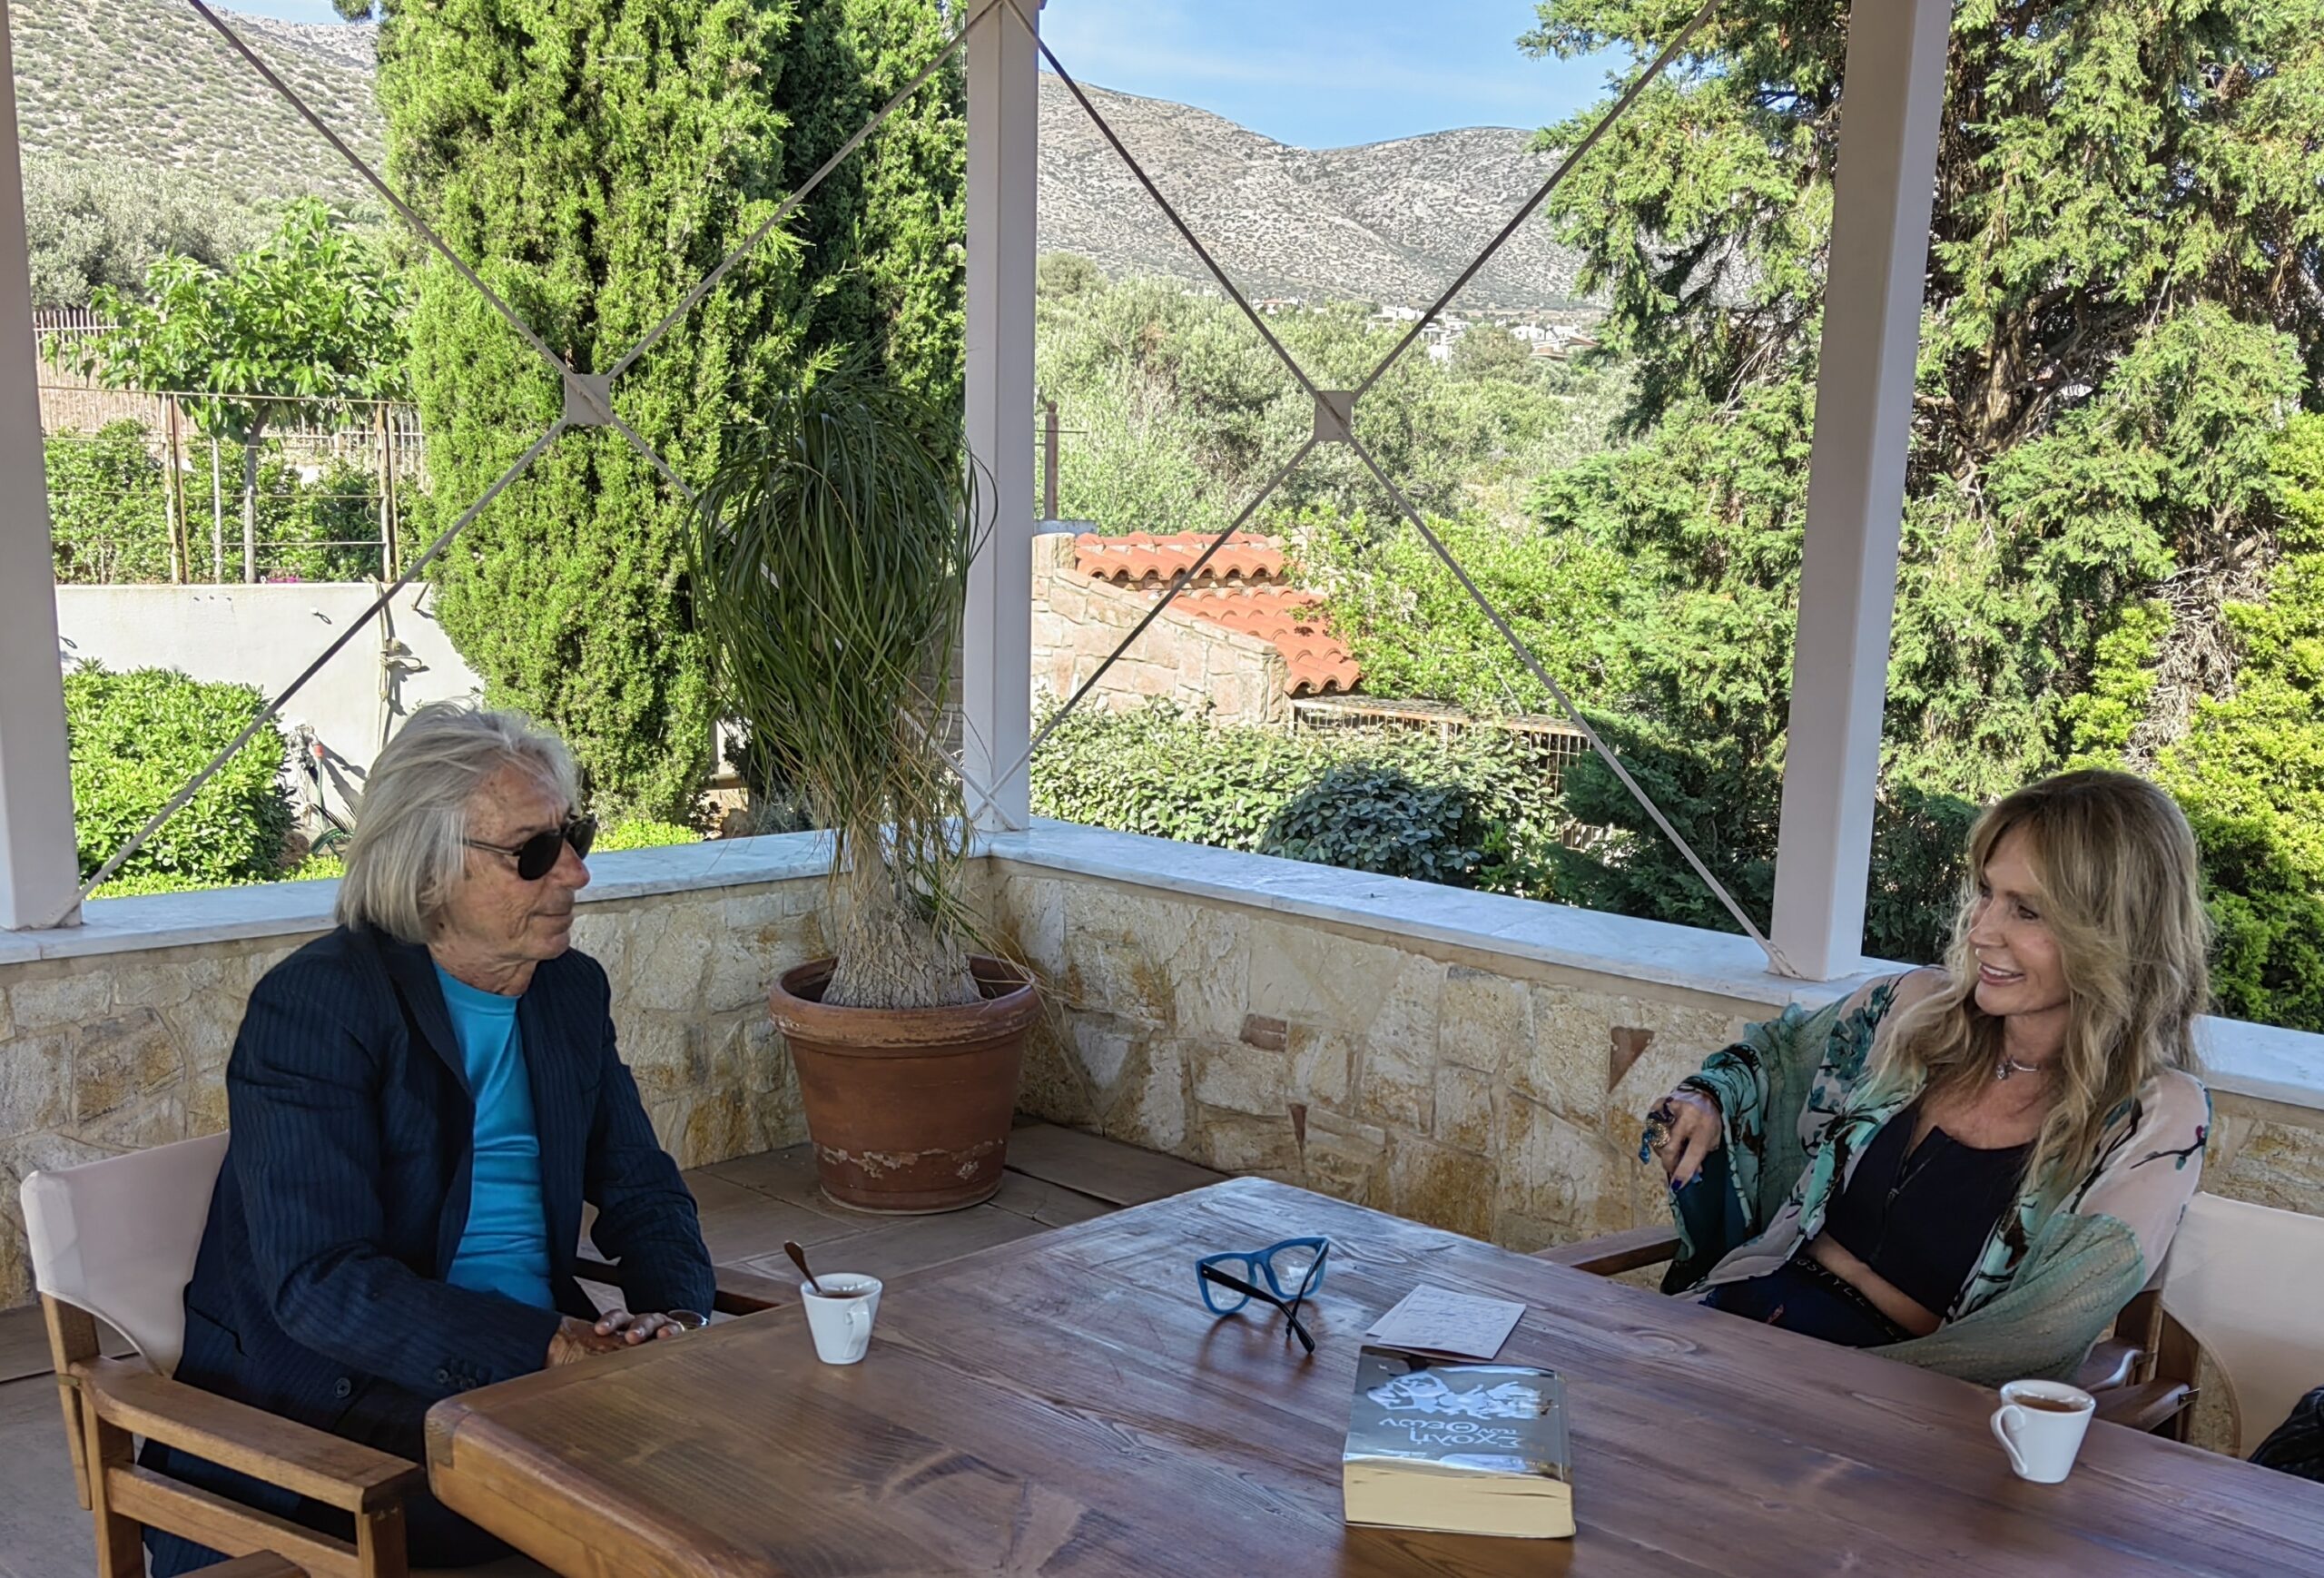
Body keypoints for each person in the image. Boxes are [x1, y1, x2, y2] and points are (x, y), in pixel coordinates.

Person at [145, 704, 717, 1575]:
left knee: (763, 1464)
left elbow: (641, 1186)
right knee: (644, 1521)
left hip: (542, 1380)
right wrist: (546, 1347)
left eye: (574, 836)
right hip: (351, 1402)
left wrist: (679, 1319)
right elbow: (321, 1285)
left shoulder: (568, 991)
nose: (576, 871)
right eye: (533, 852)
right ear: (427, 870)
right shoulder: (319, 1006)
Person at [1640, 769, 2212, 1386]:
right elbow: (1775, 1057)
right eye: (1986, 892)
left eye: (2027, 911)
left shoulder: (2152, 1117)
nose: (1981, 931)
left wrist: (1819, 1388)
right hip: (1742, 1321)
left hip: (1904, 1397)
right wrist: (1707, 1098)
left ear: (2116, 932)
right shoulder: (1911, 1012)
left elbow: (2037, 1336)